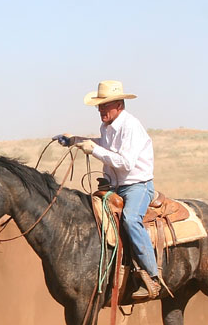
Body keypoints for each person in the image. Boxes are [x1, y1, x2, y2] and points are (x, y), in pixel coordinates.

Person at [56, 80, 160, 300]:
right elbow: (102, 144)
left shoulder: (130, 126)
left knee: (131, 220)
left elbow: (126, 163)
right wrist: (75, 140)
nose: (100, 110)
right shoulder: (108, 127)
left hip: (137, 186)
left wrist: (93, 151)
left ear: (119, 105)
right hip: (115, 186)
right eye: (99, 106)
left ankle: (153, 276)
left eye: (104, 105)